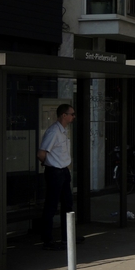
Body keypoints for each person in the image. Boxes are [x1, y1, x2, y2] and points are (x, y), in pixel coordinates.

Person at [37, 104, 78, 251]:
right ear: (63, 115)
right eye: (71, 114)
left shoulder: (64, 131)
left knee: (68, 204)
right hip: (55, 171)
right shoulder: (53, 131)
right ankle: (47, 240)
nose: (73, 116)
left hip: (63, 171)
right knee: (52, 205)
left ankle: (68, 237)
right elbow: (41, 153)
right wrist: (50, 164)